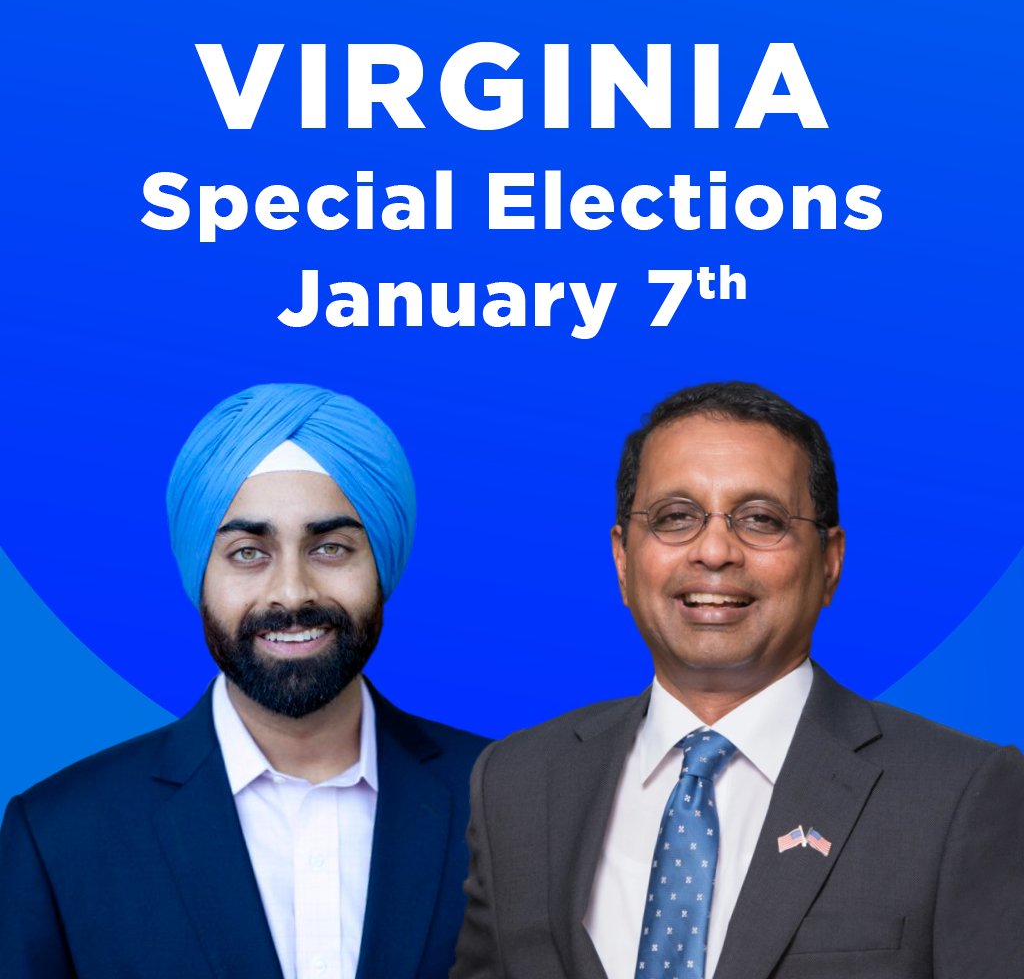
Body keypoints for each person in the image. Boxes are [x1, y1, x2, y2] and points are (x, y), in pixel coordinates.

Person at [452, 381, 1024, 979]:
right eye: (676, 517)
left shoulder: (959, 794)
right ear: (623, 559)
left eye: (761, 519)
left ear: (830, 561)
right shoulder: (516, 784)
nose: (716, 550)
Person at [0, 383, 489, 979]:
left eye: (331, 547)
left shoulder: (505, 801)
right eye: (248, 553)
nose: (291, 591)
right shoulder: (60, 837)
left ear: (382, 563)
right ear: (198, 575)